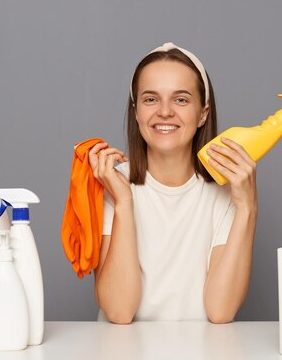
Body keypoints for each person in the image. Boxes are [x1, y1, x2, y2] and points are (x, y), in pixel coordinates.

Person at [89, 42, 257, 324]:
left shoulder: (227, 189)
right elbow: (119, 311)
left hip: (201, 358)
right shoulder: (113, 185)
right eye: (151, 99)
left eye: (180, 99)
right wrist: (124, 202)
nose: (165, 112)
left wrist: (247, 208)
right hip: (123, 359)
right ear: (136, 112)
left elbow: (221, 310)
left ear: (202, 113)